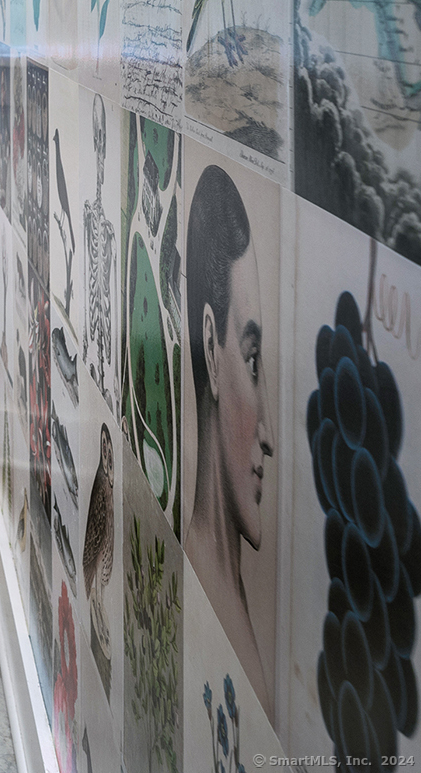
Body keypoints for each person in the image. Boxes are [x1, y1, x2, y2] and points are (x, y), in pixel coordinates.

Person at [184, 163, 272, 707]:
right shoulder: (199, 582)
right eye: (252, 359)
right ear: (212, 353)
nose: (269, 435)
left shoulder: (230, 600)